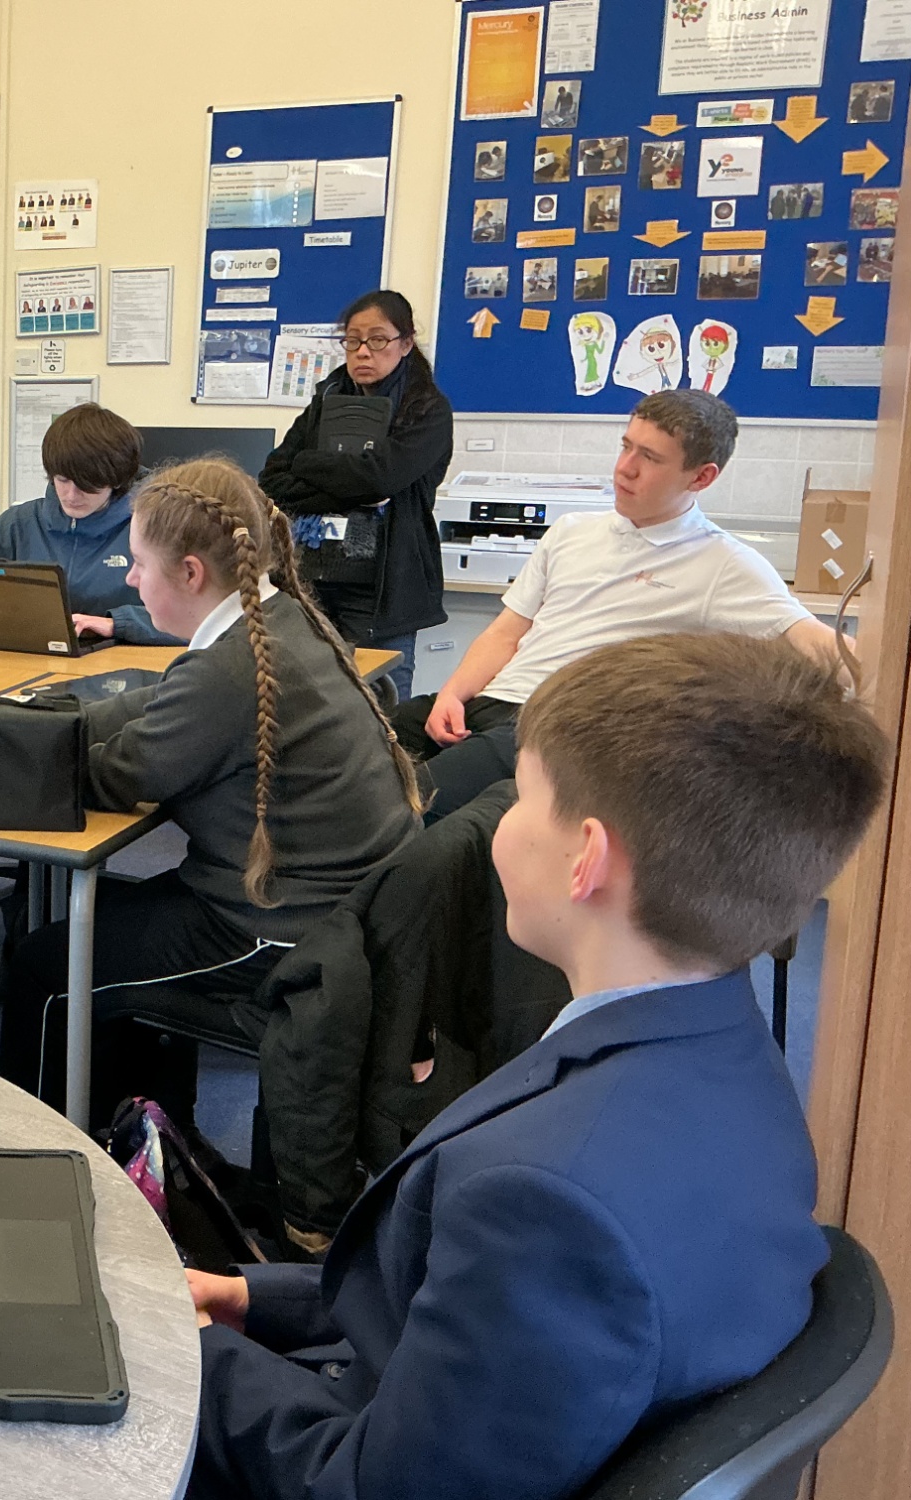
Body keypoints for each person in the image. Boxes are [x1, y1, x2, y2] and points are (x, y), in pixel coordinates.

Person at [186, 630, 888, 1500]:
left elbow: (365, 1489)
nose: (498, 826)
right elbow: (466, 1311)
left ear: (587, 858)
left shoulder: (544, 1202)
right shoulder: (732, 1059)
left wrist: (181, 1352)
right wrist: (256, 1301)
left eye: (518, 799)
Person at [0, 459, 424, 1126]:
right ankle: (151, 1135)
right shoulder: (277, 619)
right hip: (338, 907)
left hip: (277, 926)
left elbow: (110, 777)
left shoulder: (227, 672)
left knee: (43, 967)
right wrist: (22, 723)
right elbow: (151, 705)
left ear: (190, 573)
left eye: (139, 564)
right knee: (100, 924)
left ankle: (40, 1150)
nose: (131, 579)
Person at [392, 389, 841, 820]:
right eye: (626, 447)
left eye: (650, 458)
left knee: (406, 805)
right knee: (362, 743)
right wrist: (453, 694)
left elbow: (813, 640)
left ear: (701, 477)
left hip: (560, 725)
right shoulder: (572, 530)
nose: (625, 469)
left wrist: (873, 669)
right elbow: (506, 633)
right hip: (490, 702)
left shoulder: (725, 563)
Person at [0, 402, 185, 996]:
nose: (71, 495)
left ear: (119, 481)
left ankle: (31, 934)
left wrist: (116, 623)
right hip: (10, 683)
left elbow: (193, 615)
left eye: (87, 485)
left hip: (102, 691)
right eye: (60, 480)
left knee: (46, 773)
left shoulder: (149, 526)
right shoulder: (20, 525)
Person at [258, 291, 453, 706]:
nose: (363, 351)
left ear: (405, 343)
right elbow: (273, 478)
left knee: (379, 707)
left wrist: (309, 465)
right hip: (312, 579)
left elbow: (381, 478)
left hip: (382, 587)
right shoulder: (327, 398)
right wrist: (349, 483)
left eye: (378, 339)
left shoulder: (426, 410)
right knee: (308, 703)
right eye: (353, 340)